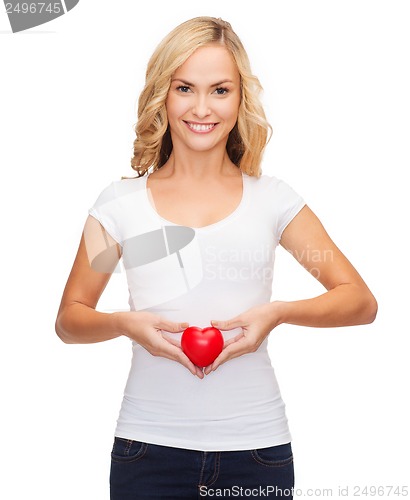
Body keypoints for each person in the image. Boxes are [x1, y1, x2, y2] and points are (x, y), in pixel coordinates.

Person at [55, 16, 377, 499]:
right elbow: (69, 319)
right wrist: (128, 324)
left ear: (240, 98)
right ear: (163, 94)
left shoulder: (273, 200)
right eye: (185, 87)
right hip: (146, 451)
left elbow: (359, 301)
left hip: (257, 452)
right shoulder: (118, 206)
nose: (201, 107)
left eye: (220, 90)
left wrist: (278, 314)